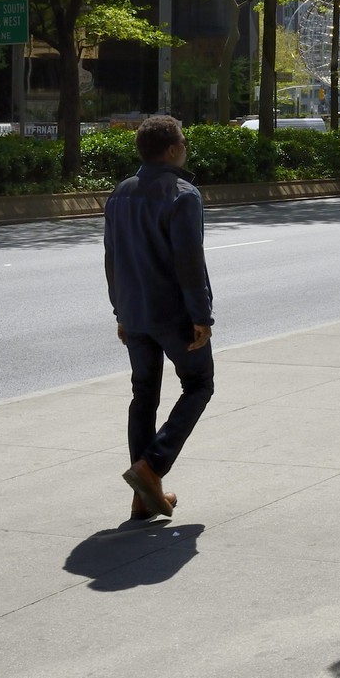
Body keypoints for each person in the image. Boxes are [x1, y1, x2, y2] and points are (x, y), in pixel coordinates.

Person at [103, 115, 214, 521]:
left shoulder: (120, 193)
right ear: (171, 150)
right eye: (183, 141)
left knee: (143, 395)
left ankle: (144, 498)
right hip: (174, 315)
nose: (185, 147)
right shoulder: (183, 194)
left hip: (134, 315)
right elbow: (189, 263)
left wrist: (120, 311)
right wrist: (202, 316)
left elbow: (112, 259)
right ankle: (151, 467)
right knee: (199, 385)